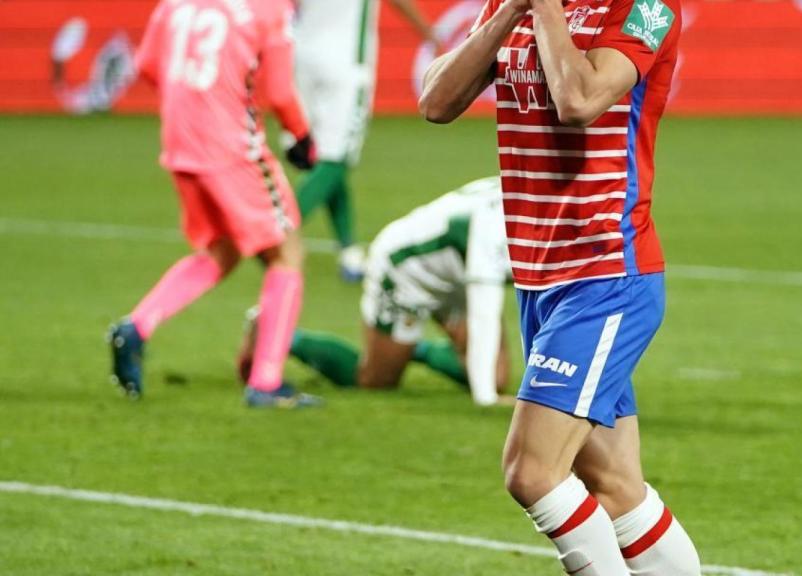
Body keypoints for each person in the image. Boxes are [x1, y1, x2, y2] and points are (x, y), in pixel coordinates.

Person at [419, 0, 700, 574]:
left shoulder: (644, 8)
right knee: (616, 486)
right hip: (540, 278)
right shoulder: (513, 5)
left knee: (533, 472)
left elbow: (580, 101)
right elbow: (436, 101)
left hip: (606, 275)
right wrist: (510, 13)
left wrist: (542, 8)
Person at [108, 0, 319, 408]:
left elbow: (149, 65)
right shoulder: (270, 8)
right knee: (288, 253)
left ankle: (136, 326)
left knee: (221, 250)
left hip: (180, 141)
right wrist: (302, 136)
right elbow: (278, 91)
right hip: (231, 147)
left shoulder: (176, 4)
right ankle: (266, 383)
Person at [238, 177, 512, 406]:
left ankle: (410, 348)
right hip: (405, 271)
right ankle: (275, 332)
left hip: (458, 274)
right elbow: (484, 314)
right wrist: (486, 399)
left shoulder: (530, 196)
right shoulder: (495, 229)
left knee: (496, 376)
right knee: (374, 380)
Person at [291, 0, 438, 281]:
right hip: (345, 61)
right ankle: (281, 228)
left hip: (302, 55)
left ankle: (348, 250)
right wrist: (428, 32)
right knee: (336, 158)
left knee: (321, 155)